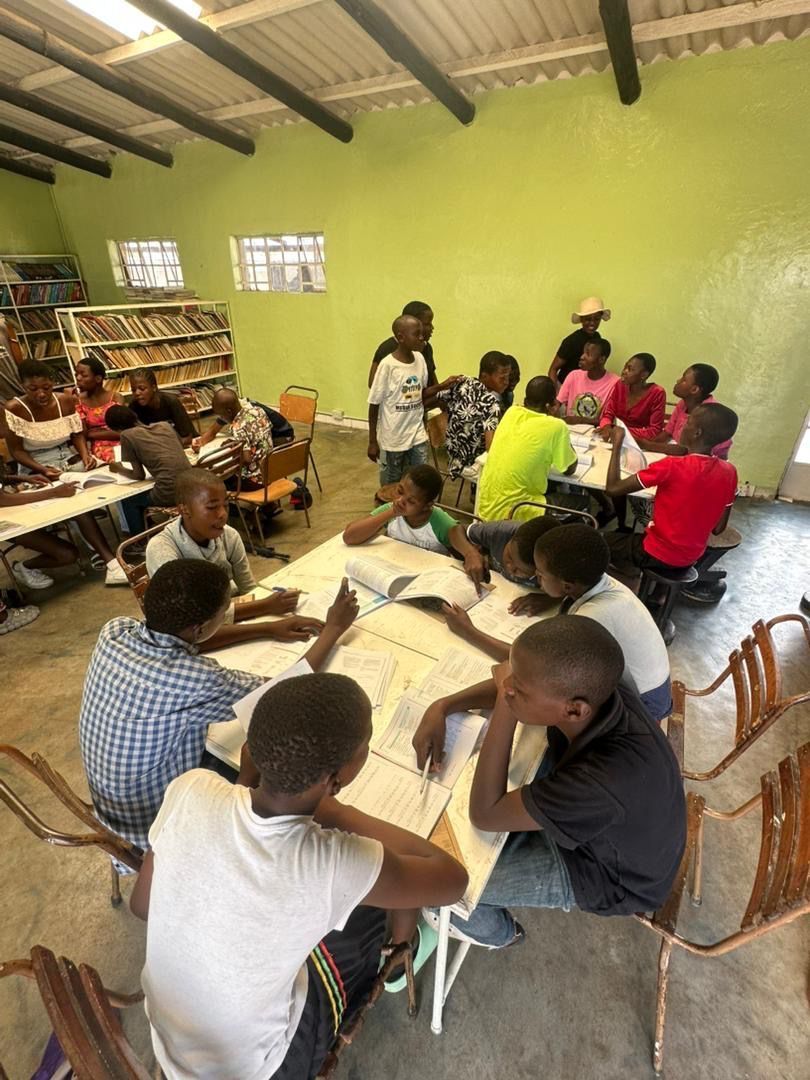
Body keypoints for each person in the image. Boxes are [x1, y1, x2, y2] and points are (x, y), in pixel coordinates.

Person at [130, 673, 467, 1080]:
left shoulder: (191, 788)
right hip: (261, 1067)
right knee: (367, 913)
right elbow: (452, 879)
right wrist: (332, 809)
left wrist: (309, 797)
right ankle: (400, 949)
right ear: (335, 778)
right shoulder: (335, 863)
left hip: (168, 1032)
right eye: (365, 745)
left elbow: (142, 906)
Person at [416, 616, 686, 949]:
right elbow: (523, 683)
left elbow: (484, 813)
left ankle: (503, 935)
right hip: (619, 829)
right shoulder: (600, 694)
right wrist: (443, 706)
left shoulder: (599, 780)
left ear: (574, 711)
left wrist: (505, 704)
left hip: (612, 876)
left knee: (447, 887)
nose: (508, 686)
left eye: (519, 692)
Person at [79, 560, 360, 855]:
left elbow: (189, 643)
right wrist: (333, 629)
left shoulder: (115, 630)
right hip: (152, 827)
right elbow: (282, 694)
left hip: (111, 804)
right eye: (224, 612)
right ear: (200, 628)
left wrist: (268, 627)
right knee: (280, 772)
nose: (227, 616)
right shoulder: (194, 679)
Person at [444, 525, 672, 722]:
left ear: (567, 585)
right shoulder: (598, 580)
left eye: (541, 576)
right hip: (652, 684)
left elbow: (528, 663)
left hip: (644, 704)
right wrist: (550, 596)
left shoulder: (591, 619)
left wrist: (468, 631)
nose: (536, 580)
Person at [1, 360, 126, 585]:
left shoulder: (67, 400)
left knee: (110, 481)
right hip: (35, 466)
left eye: (47, 388)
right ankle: (110, 560)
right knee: (75, 501)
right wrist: (41, 469)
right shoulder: (13, 408)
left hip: (69, 458)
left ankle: (114, 545)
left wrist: (86, 455)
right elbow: (17, 452)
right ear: (22, 386)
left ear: (53, 383)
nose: (41, 394)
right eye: (33, 389)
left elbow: (77, 433)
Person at [145, 468, 302, 623]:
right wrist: (265, 608)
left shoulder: (229, 536)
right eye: (212, 507)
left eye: (226, 505)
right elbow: (193, 623)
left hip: (229, 614)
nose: (222, 514)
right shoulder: (162, 549)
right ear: (184, 510)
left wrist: (268, 605)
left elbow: (249, 588)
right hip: (196, 631)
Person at [604, 403, 739, 576]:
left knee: (597, 541)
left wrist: (617, 445)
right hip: (692, 556)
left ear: (697, 433)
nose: (682, 426)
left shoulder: (671, 466)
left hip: (656, 552)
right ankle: (654, 587)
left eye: (688, 422)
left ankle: (626, 578)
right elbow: (718, 529)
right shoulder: (729, 472)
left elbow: (613, 488)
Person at [342, 464, 485, 586]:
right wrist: (391, 513)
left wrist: (470, 553)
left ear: (427, 506)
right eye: (399, 491)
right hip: (393, 573)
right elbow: (349, 536)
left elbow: (455, 532)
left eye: (411, 501)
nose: (400, 500)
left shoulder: (437, 520)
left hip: (426, 580)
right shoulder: (392, 510)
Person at [367, 315, 457, 487]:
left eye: (422, 334)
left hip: (416, 435)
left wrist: (443, 385)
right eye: (417, 334)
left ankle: (414, 513)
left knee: (420, 482)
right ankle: (391, 513)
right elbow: (374, 404)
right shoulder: (388, 366)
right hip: (394, 438)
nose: (422, 338)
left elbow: (419, 395)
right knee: (391, 486)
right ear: (401, 337)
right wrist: (372, 441)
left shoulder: (420, 360)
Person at [477, 376, 577, 521]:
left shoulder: (512, 412)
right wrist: (558, 421)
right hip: (519, 508)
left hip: (487, 506)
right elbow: (569, 469)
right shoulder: (556, 426)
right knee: (582, 503)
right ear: (550, 405)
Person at [105, 405, 192, 535]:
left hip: (169, 492)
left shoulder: (127, 435)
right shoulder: (165, 425)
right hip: (191, 485)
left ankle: (138, 541)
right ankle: (148, 525)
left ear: (117, 429)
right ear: (134, 416)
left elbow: (138, 475)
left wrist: (119, 468)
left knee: (129, 500)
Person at [0, 461, 80, 591]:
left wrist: (23, 478)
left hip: (13, 513)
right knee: (67, 555)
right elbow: (2, 500)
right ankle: (22, 567)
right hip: (6, 523)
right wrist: (53, 492)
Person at [437, 351, 511, 478]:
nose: (506, 382)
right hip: (470, 464)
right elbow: (490, 447)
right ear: (485, 376)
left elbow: (438, 397)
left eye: (508, 377)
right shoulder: (491, 403)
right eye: (502, 378)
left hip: (452, 457)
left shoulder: (464, 382)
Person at [636, 364, 733, 459]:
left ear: (694, 389)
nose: (678, 381)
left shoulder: (708, 415)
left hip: (703, 462)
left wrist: (646, 444)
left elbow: (684, 450)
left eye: (683, 379)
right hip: (678, 451)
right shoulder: (683, 403)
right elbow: (667, 434)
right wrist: (643, 445)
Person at [191, 387, 274, 490]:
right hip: (272, 471)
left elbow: (247, 460)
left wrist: (229, 456)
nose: (222, 418)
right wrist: (236, 443)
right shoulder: (257, 411)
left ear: (229, 411)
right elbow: (258, 436)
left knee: (215, 481)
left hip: (255, 480)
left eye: (221, 415)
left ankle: (230, 505)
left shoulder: (237, 426)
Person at [369, 300, 438, 388]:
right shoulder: (388, 348)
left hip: (421, 401)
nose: (432, 328)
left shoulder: (426, 348)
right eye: (427, 324)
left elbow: (433, 381)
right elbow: (373, 384)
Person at [598, 353, 666, 441]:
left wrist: (621, 431)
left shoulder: (657, 393)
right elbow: (608, 414)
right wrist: (606, 426)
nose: (624, 371)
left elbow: (655, 430)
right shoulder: (620, 385)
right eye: (625, 367)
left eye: (630, 369)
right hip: (614, 436)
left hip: (640, 442)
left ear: (643, 375)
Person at [548, 296, 611, 386]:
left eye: (596, 319)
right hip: (567, 387)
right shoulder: (572, 341)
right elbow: (553, 370)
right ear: (581, 320)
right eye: (588, 319)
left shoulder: (597, 338)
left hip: (584, 388)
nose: (592, 323)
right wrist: (557, 394)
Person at [74, 355, 124, 463]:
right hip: (99, 447)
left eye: (83, 375)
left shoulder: (115, 397)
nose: (78, 378)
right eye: (76, 374)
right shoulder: (77, 401)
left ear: (98, 378)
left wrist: (91, 433)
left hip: (123, 442)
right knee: (113, 461)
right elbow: (81, 434)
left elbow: (122, 432)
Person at [128, 368, 196, 447]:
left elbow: (188, 437)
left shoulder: (171, 402)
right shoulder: (133, 406)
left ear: (153, 387)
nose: (137, 393)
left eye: (142, 389)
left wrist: (163, 447)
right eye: (133, 390)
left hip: (179, 446)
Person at [556, 339, 618, 425]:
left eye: (588, 354)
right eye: (583, 353)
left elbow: (610, 421)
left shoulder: (615, 383)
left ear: (601, 359)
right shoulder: (573, 375)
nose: (582, 357)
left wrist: (580, 420)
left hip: (596, 434)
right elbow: (557, 403)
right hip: (570, 431)